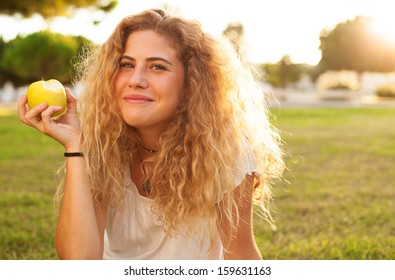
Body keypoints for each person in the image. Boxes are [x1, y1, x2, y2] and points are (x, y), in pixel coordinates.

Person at [18, 9, 284, 260]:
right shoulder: (102, 145)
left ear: (191, 82)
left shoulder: (226, 152)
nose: (136, 79)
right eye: (126, 64)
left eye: (157, 67)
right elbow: (80, 260)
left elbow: (241, 254)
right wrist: (76, 147)